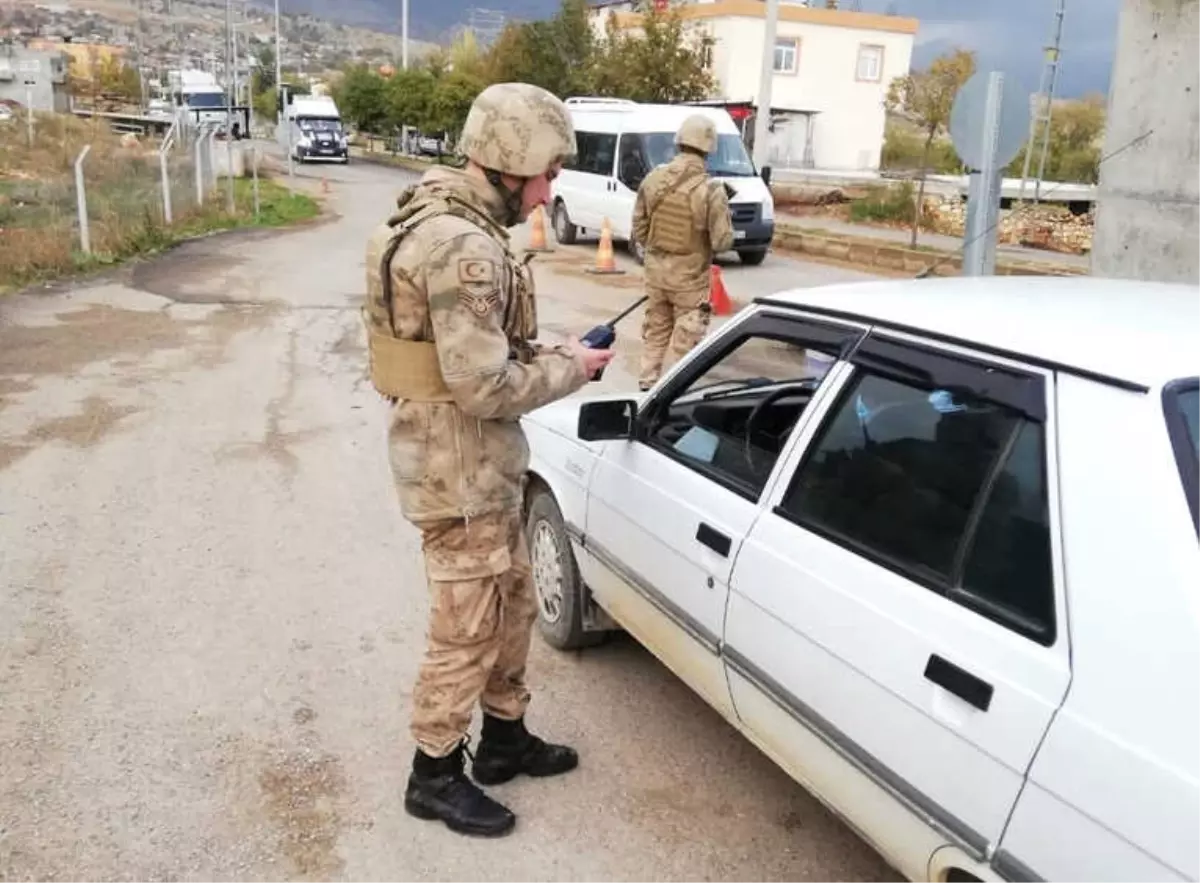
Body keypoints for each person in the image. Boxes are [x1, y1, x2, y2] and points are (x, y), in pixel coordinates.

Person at [361, 82, 615, 839]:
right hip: (460, 465)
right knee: (465, 624)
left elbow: (474, 354)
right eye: (549, 168)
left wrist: (557, 349)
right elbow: (482, 385)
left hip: (473, 459)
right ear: (510, 161)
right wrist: (575, 370)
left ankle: (503, 738)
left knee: (508, 601)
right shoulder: (463, 246)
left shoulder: (442, 221)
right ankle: (433, 772)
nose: (553, 184)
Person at [631, 114, 735, 391]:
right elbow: (723, 242)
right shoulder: (710, 189)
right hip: (689, 280)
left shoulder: (654, 179)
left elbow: (639, 228)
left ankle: (646, 387)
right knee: (685, 346)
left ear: (679, 143)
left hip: (655, 274)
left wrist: (658, 252)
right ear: (709, 149)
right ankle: (673, 397)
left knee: (655, 332)